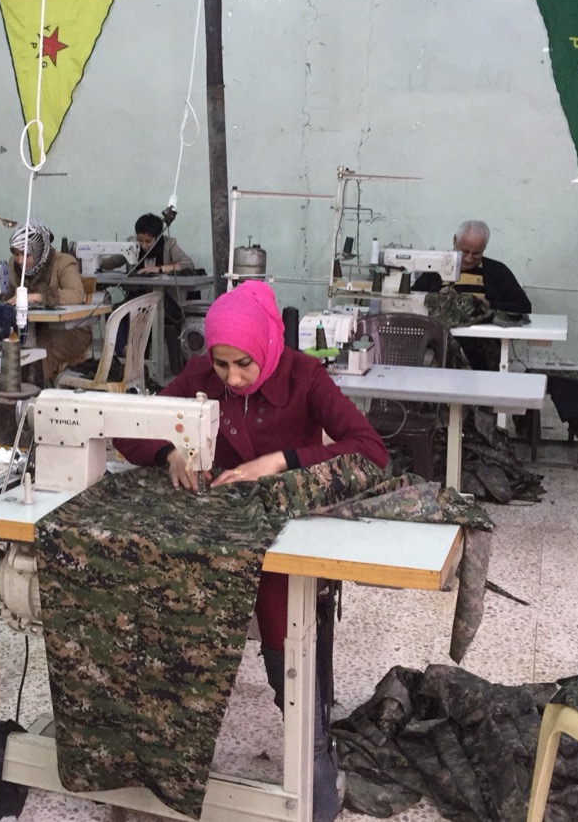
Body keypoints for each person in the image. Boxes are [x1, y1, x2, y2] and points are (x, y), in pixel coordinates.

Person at [115, 281, 387, 822]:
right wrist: (171, 449)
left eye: (244, 364)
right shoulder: (200, 376)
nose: (234, 378)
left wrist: (281, 460)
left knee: (287, 620)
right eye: (222, 366)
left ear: (266, 345)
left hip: (287, 538)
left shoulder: (304, 376)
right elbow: (128, 431)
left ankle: (310, 742)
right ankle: (155, 750)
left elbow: (370, 450)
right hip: (217, 535)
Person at [412, 220, 532, 370]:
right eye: (464, 251)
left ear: (485, 248)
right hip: (441, 344)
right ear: (455, 241)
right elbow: (413, 299)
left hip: (482, 347)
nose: (469, 258)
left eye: (476, 253)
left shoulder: (497, 271)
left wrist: (489, 304)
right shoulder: (435, 271)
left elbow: (524, 306)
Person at [5, 221, 91, 382]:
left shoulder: (63, 262)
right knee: (7, 347)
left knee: (41, 350)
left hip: (71, 331)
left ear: (39, 251)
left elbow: (76, 294)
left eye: (26, 254)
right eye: (16, 254)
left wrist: (38, 297)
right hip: (30, 330)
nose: (20, 260)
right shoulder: (14, 266)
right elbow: (9, 296)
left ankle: (32, 394)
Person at [116, 213, 198, 368]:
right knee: (117, 312)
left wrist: (160, 268)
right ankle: (123, 357)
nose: (143, 245)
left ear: (158, 237)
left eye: (148, 241)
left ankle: (141, 360)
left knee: (142, 309)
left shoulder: (169, 245)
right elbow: (112, 261)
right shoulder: (131, 246)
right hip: (140, 299)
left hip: (167, 302)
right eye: (140, 240)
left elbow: (188, 264)